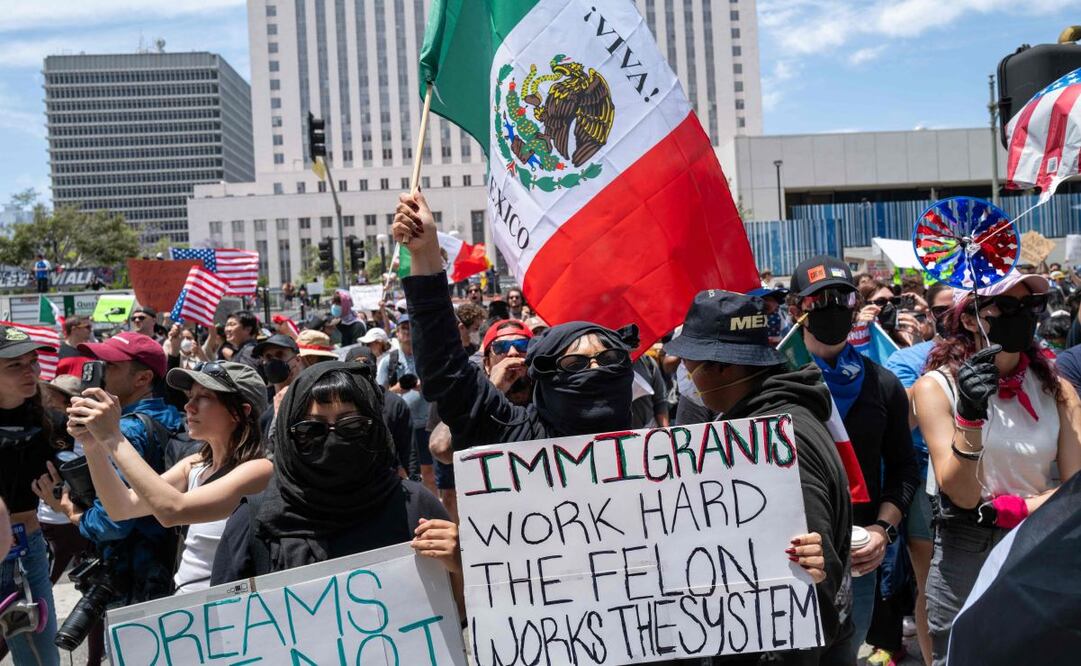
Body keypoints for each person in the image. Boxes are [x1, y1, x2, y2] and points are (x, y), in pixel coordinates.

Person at [666, 289, 852, 663]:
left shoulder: (776, 442)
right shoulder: (757, 424)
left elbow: (813, 577)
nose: (687, 380)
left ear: (722, 366)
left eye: (690, 366)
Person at [912, 271, 1081, 665]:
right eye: (1006, 306)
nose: (1022, 316)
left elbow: (1076, 491)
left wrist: (1023, 509)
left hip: (1036, 544)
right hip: (964, 550)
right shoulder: (937, 388)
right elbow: (963, 493)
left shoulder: (1058, 388)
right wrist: (969, 417)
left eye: (1030, 306)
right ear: (970, 318)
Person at [394, 189, 635, 445]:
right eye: (575, 364)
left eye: (608, 359)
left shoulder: (658, 454)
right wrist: (425, 251)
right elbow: (446, 371)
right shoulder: (518, 432)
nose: (596, 369)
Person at [209, 363, 460, 608]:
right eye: (311, 430)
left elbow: (458, 618)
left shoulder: (415, 509)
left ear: (375, 430)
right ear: (288, 436)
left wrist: (460, 565)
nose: (332, 440)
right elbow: (222, 632)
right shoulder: (253, 524)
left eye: (352, 426)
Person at [787, 255, 919, 661]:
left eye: (843, 298)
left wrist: (883, 530)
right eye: (818, 300)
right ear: (796, 311)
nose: (833, 309)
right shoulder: (777, 385)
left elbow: (903, 469)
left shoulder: (884, 385)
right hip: (790, 558)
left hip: (857, 559)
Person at [32, 332, 182, 661]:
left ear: (143, 378)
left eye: (110, 366)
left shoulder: (124, 431)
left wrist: (74, 512)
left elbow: (114, 520)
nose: (97, 371)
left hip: (133, 579)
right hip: (173, 570)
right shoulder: (176, 417)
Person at [66, 362, 269, 594]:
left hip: (227, 612)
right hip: (187, 606)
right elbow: (121, 507)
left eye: (204, 397)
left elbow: (171, 510)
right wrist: (93, 445)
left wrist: (113, 436)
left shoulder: (259, 470)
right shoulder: (195, 465)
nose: (189, 406)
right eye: (190, 396)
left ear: (241, 412)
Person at [881, 280, 954, 665]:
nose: (954, 316)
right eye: (943, 310)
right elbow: (899, 428)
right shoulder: (908, 362)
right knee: (931, 584)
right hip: (928, 486)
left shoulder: (1002, 355)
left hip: (989, 485)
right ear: (929, 315)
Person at [0, 326, 63, 666]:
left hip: (28, 553)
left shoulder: (51, 421)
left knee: (41, 658)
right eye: (15, 364)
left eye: (33, 361)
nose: (31, 371)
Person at [253, 334, 302, 437]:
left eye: (280, 355)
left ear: (297, 360)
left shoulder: (307, 399)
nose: (273, 361)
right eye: (269, 357)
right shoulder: (265, 410)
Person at [376, 315, 415, 391]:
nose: (407, 331)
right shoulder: (388, 361)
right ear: (397, 332)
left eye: (410, 327)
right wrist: (394, 390)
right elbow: (379, 395)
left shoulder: (425, 358)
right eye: (403, 328)